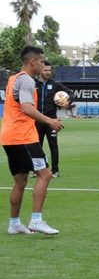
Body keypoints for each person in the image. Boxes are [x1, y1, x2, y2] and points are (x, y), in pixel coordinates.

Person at [1, 46, 63, 235]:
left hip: (9, 136)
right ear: (32, 62)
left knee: (20, 181)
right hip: (23, 136)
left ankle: (14, 223)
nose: (44, 64)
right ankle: (36, 220)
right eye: (42, 61)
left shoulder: (14, 78)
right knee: (45, 174)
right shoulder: (27, 80)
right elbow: (27, 108)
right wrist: (50, 121)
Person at [34, 60, 72, 178]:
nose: (48, 72)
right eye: (45, 70)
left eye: (50, 70)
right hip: (37, 120)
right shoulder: (33, 84)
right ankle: (37, 169)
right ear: (40, 70)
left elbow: (70, 93)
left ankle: (55, 171)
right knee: (36, 146)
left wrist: (67, 102)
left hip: (52, 121)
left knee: (53, 145)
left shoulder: (56, 85)